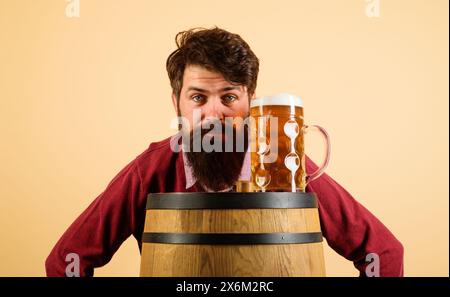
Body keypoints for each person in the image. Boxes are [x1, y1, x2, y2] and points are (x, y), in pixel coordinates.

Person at [45, 27, 404, 277]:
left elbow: (384, 253)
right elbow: (67, 260)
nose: (214, 114)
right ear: (177, 104)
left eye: (229, 97)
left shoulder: (283, 166)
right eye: (198, 97)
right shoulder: (149, 171)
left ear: (251, 102)